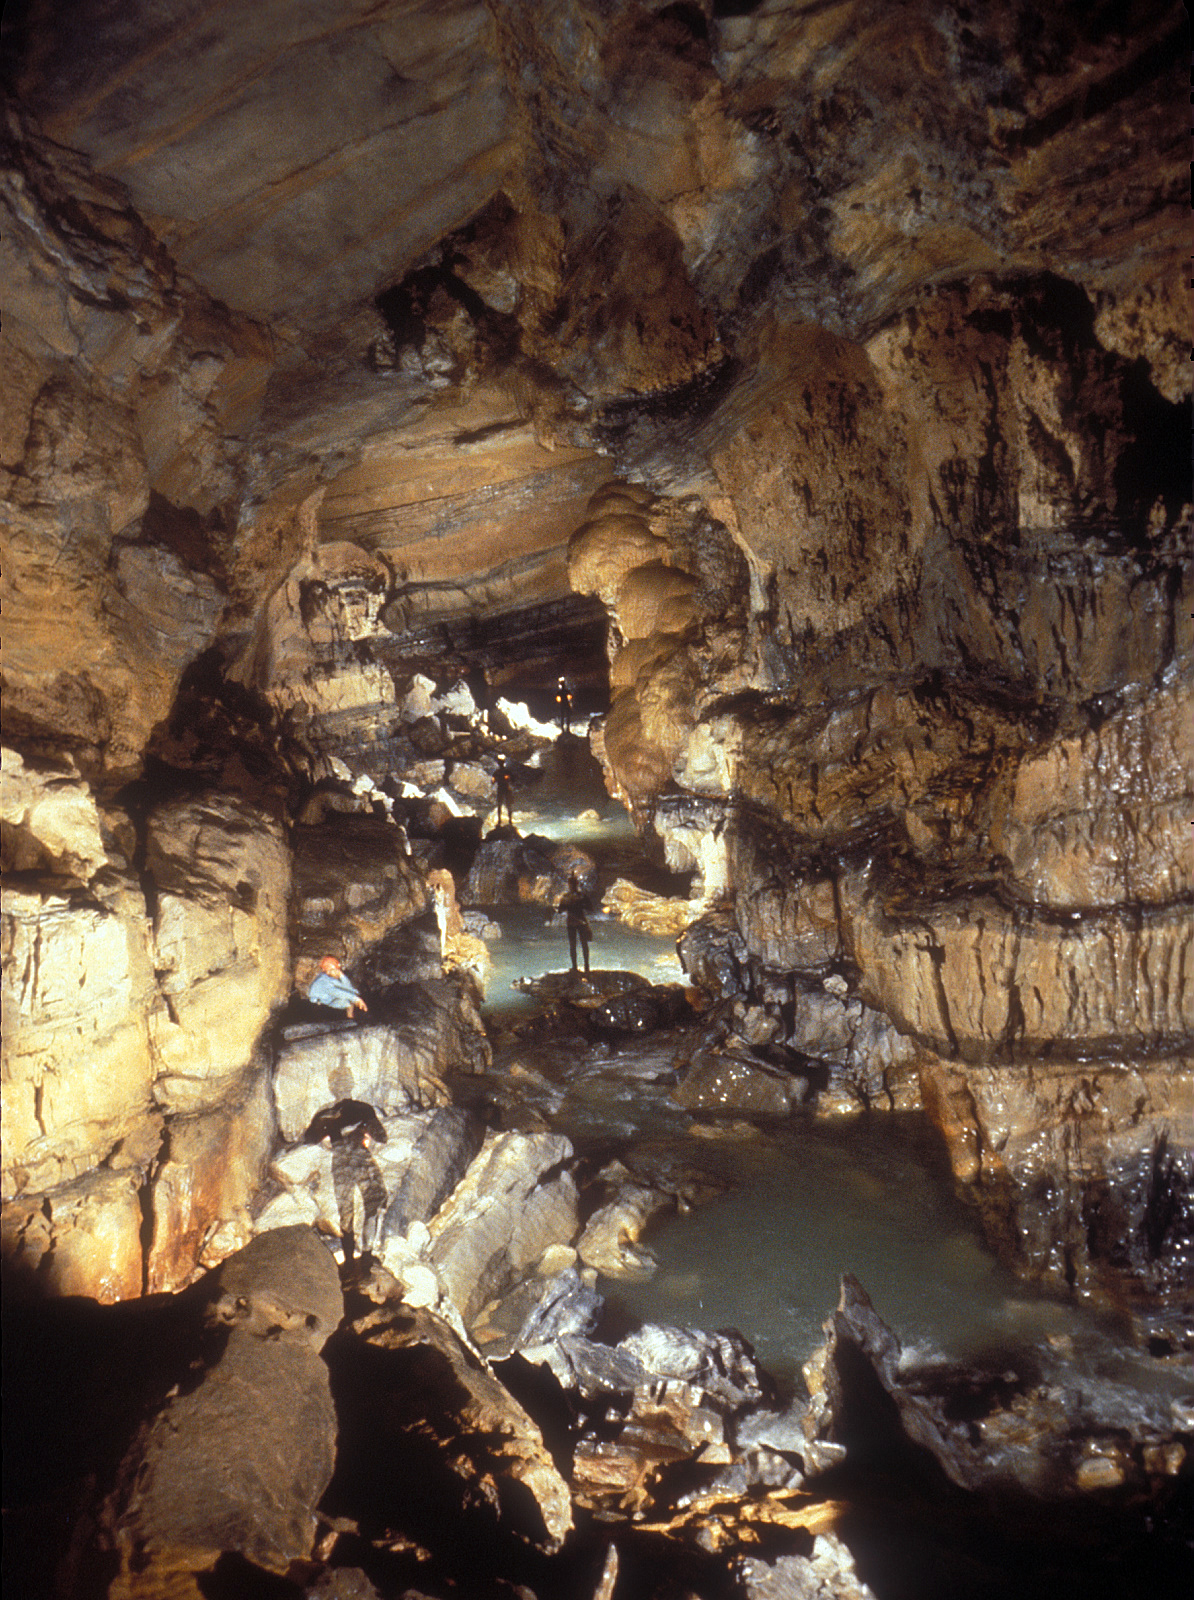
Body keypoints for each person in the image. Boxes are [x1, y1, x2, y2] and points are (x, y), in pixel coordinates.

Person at [303, 1100, 387, 1265]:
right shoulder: (364, 1110)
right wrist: (365, 1130)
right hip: (360, 1157)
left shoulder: (325, 1117)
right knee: (375, 1200)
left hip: (340, 1161)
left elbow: (310, 1139)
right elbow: (382, 1137)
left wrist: (329, 1131)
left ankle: (349, 1260)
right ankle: (367, 1256)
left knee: (346, 1210)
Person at [558, 871, 593, 975]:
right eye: (570, 884)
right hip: (574, 923)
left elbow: (590, 908)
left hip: (579, 922)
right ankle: (576, 967)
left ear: (575, 884)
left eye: (572, 884)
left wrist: (578, 905)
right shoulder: (569, 896)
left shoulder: (575, 896)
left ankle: (585, 967)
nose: (571, 886)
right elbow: (560, 910)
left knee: (583, 945)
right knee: (575, 946)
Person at [494, 755, 514, 827]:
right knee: (508, 805)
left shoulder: (497, 772)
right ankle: (510, 821)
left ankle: (500, 821)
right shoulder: (507, 771)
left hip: (501, 789)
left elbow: (493, 781)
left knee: (500, 805)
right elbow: (512, 780)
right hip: (506, 789)